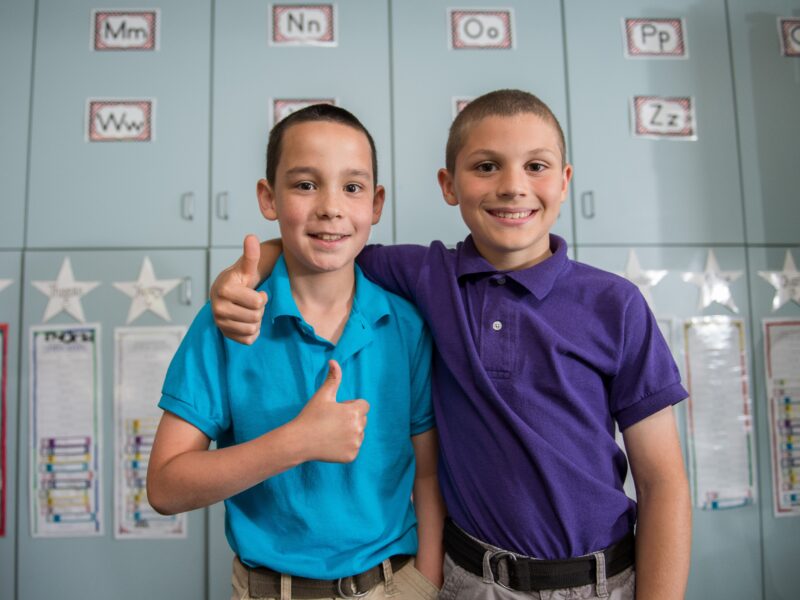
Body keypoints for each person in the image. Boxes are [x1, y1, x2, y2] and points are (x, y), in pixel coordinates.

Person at [209, 89, 692, 600]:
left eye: (535, 166)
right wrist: (240, 276)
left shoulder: (615, 304)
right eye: (486, 167)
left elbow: (663, 483)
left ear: (565, 181)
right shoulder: (425, 274)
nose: (512, 187)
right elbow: (324, 241)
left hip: (600, 582)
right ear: (449, 184)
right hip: (468, 580)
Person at [147, 104, 445, 600]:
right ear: (269, 198)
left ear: (376, 204)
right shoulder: (227, 322)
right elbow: (165, 486)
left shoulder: (407, 325)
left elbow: (429, 471)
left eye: (351, 188)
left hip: (395, 586)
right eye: (306, 185)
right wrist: (296, 442)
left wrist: (426, 582)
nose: (330, 207)